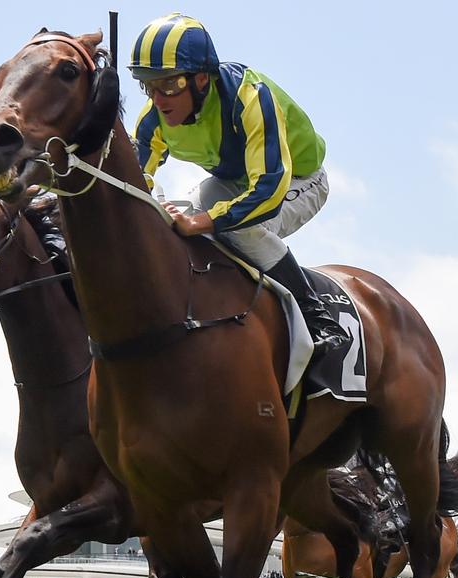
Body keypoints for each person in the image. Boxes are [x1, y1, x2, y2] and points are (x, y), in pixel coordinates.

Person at [129, 12, 350, 357]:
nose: (159, 99)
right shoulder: (153, 118)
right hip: (234, 181)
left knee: (240, 230)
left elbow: (269, 190)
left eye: (170, 85)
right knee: (172, 220)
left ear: (201, 79)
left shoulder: (250, 97)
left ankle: (318, 317)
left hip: (296, 179)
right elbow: (132, 182)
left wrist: (203, 221)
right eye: (149, 85)